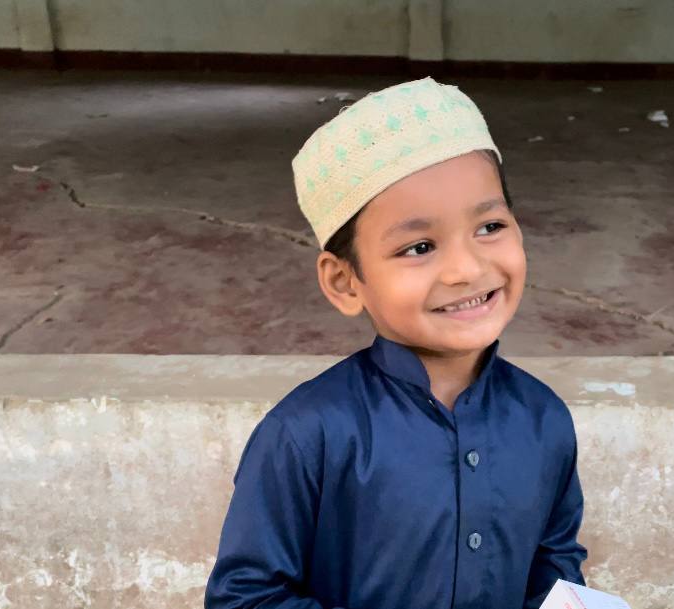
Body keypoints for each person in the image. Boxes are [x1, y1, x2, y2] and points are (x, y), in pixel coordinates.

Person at [205, 77, 586, 609]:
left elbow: (555, 571)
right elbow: (245, 599)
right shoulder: (307, 434)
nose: (466, 268)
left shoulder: (544, 420)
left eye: (490, 226)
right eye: (420, 247)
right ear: (345, 282)